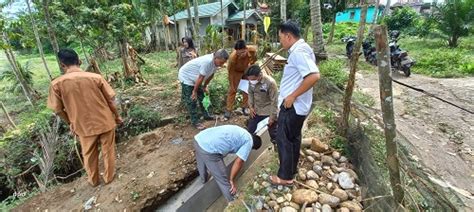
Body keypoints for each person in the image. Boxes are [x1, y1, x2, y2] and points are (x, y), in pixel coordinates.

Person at [47, 48, 123, 187]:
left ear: (62, 65)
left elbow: (58, 110)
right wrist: (117, 116)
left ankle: (93, 180)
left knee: (88, 154)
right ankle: (109, 177)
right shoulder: (96, 78)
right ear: (79, 61)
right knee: (108, 151)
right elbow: (110, 100)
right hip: (105, 120)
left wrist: (71, 122)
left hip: (82, 125)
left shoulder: (56, 84)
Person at [270, 20, 320, 185]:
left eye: (280, 37)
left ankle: (284, 177)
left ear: (288, 36)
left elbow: (313, 75)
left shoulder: (298, 52)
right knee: (293, 139)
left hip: (292, 106)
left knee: (284, 140)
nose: (280, 41)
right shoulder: (303, 49)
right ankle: (291, 170)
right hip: (299, 107)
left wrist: (291, 96)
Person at [193, 125, 262, 202]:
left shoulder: (243, 133)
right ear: (253, 146)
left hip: (199, 138)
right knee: (223, 179)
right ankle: (233, 202)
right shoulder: (249, 142)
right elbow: (239, 162)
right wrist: (231, 180)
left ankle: (204, 178)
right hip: (209, 149)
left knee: (201, 159)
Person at [178, 49, 229, 130]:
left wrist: (205, 86)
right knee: (192, 100)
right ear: (216, 58)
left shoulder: (216, 63)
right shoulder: (207, 62)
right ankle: (195, 122)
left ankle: (206, 115)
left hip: (196, 77)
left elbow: (211, 75)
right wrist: (194, 91)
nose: (222, 65)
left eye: (223, 63)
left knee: (202, 97)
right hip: (186, 76)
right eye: (221, 62)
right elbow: (201, 77)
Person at [225, 40, 257, 119]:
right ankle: (228, 110)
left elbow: (254, 60)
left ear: (246, 49)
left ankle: (245, 107)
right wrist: (232, 84)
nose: (240, 55)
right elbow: (230, 73)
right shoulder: (233, 58)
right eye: (238, 54)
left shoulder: (252, 50)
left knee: (246, 90)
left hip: (246, 70)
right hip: (236, 72)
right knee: (232, 90)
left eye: (242, 53)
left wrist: (250, 68)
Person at [245, 65, 278, 141]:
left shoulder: (270, 83)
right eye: (250, 79)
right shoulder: (251, 82)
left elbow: (274, 101)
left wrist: (272, 117)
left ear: (259, 75)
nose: (251, 81)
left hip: (268, 110)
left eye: (253, 79)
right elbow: (250, 93)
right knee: (250, 130)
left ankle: (276, 146)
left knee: (273, 132)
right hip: (256, 111)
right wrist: (251, 107)